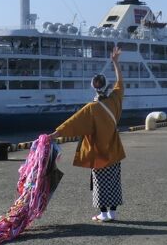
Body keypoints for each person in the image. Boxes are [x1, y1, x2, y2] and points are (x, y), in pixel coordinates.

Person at [49, 46, 125, 222]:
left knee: (99, 182)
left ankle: (103, 213)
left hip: (97, 151)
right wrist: (115, 63)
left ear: (93, 87)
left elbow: (72, 123)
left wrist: (55, 134)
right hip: (114, 148)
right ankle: (113, 212)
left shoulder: (91, 108)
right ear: (107, 86)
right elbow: (120, 82)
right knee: (113, 181)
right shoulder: (115, 99)